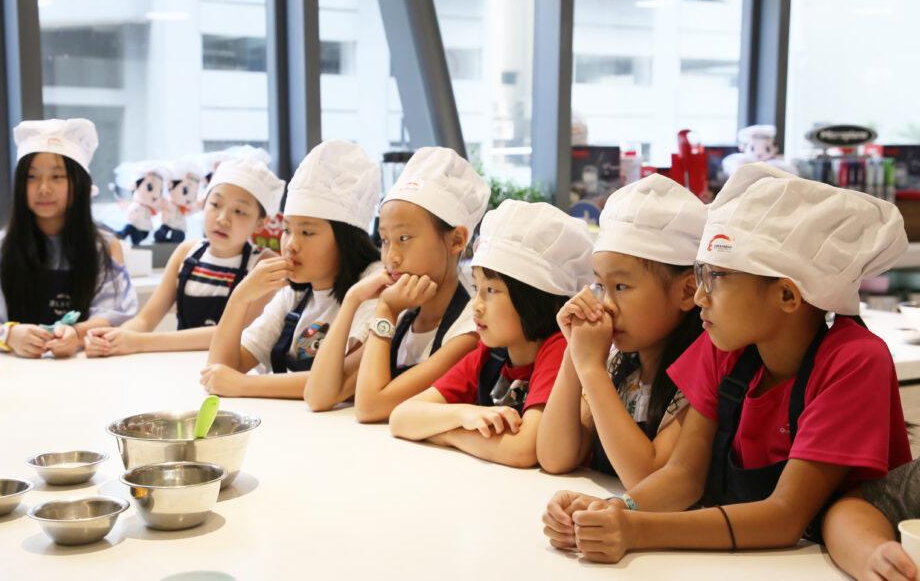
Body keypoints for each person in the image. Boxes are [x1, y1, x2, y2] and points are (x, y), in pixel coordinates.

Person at [542, 163, 911, 563]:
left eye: (716, 278)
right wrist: (615, 509)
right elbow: (684, 475)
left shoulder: (854, 360)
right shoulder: (724, 349)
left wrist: (636, 529)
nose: (700, 297)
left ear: (787, 296)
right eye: (700, 276)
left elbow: (785, 516)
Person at [389, 200, 594, 468]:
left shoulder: (558, 349)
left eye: (492, 291)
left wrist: (446, 433)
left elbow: (523, 450)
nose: (476, 305)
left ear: (532, 299)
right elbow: (401, 417)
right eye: (476, 288)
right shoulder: (491, 355)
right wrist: (463, 414)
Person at [538, 175, 705, 489]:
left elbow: (647, 480)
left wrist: (591, 368)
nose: (606, 304)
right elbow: (555, 456)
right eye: (600, 285)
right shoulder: (620, 364)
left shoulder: (702, 371)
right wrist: (574, 354)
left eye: (622, 286)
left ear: (687, 292)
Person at [304, 146, 489, 420]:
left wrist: (386, 311)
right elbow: (319, 396)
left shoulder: (469, 330)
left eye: (404, 239)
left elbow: (370, 408)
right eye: (384, 240)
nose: (391, 257)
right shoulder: (405, 315)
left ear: (456, 240)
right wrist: (352, 300)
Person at [200, 140, 382, 399]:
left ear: (346, 240)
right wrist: (240, 298)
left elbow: (340, 380)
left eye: (306, 232)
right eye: (287, 230)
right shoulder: (294, 293)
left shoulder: (373, 285)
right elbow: (220, 372)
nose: (290, 245)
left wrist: (243, 385)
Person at [0, 119, 137, 358]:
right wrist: (9, 335)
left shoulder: (105, 248)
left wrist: (76, 334)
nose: (43, 188)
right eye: (32, 177)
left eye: (57, 176)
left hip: (86, 370)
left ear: (78, 184)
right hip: (16, 371)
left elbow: (114, 315)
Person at [85, 156, 285, 356]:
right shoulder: (186, 253)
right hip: (178, 365)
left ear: (260, 223)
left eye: (239, 211)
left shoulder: (264, 265)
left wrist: (139, 342)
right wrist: (112, 338)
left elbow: (235, 333)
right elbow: (145, 320)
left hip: (227, 368)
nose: (223, 219)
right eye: (215, 204)